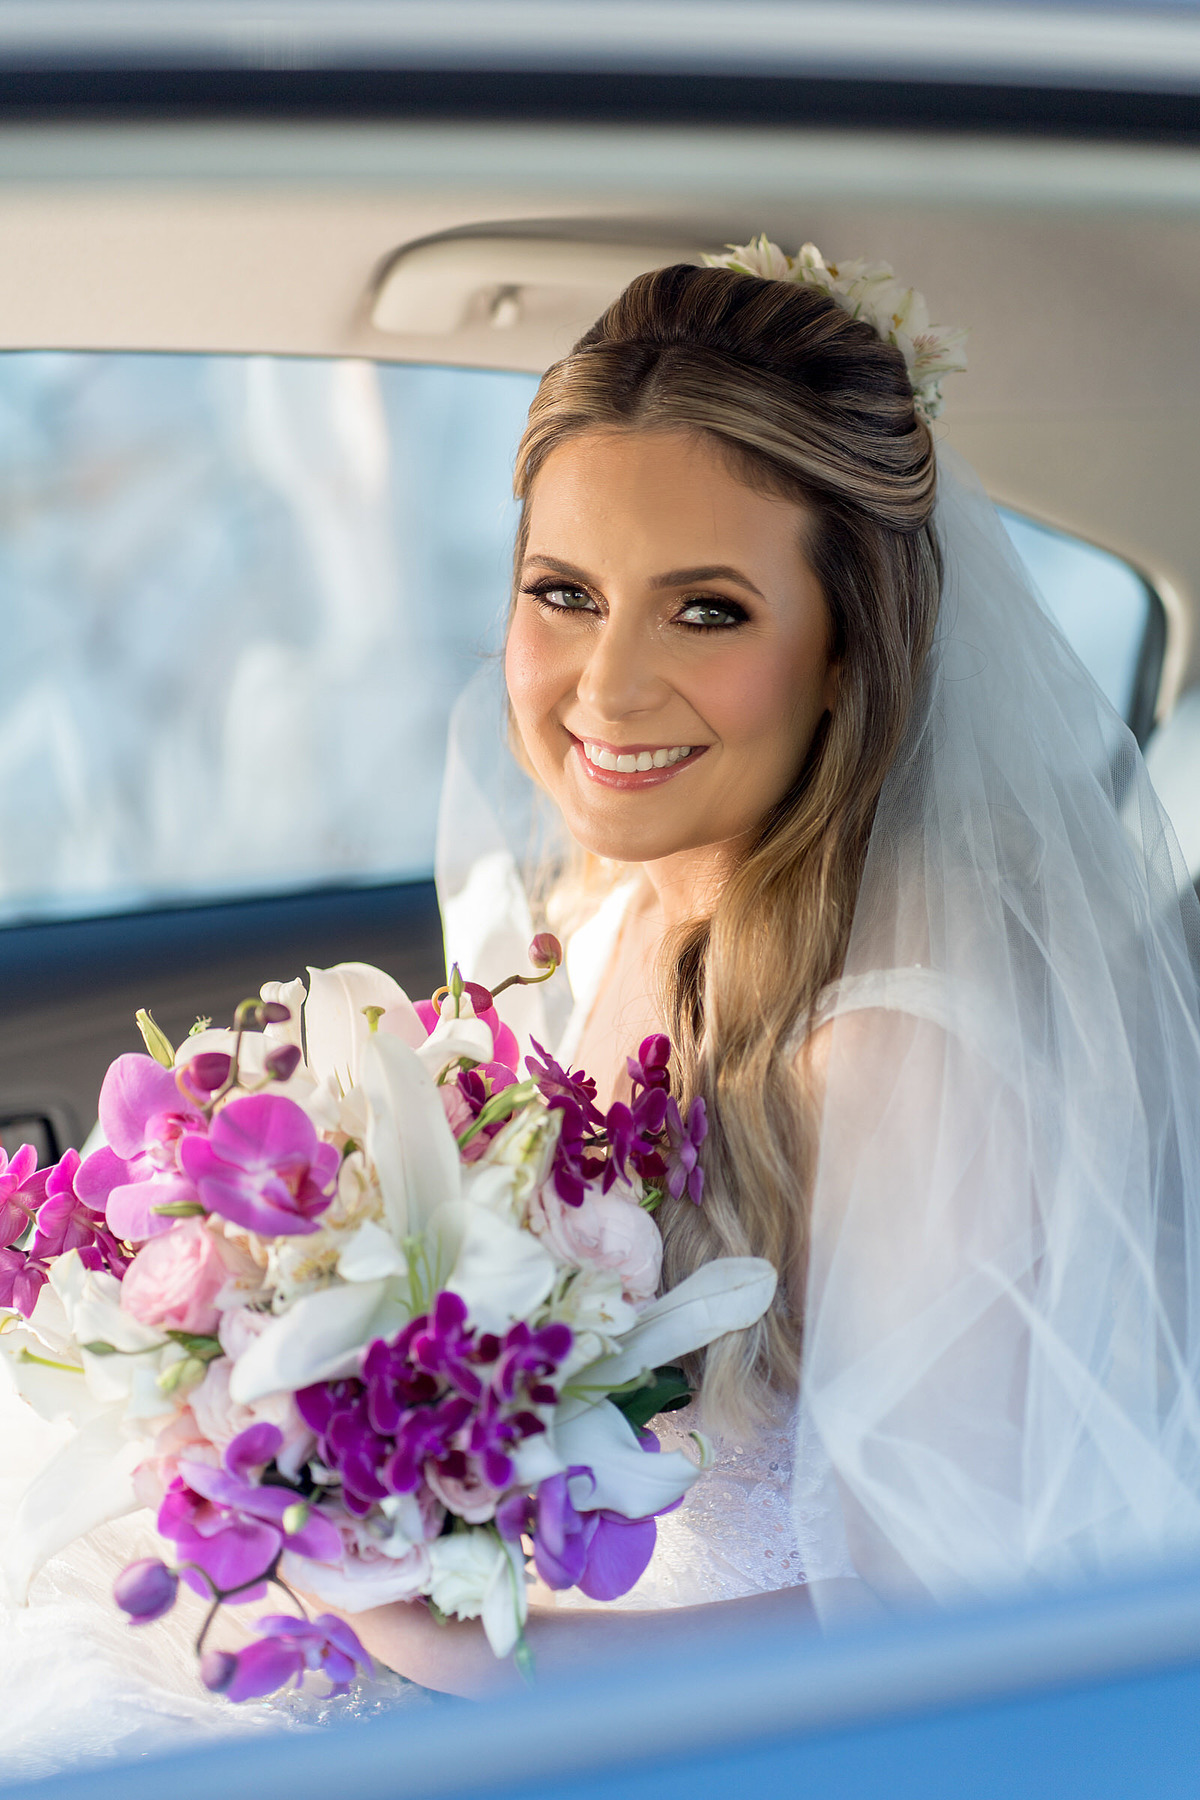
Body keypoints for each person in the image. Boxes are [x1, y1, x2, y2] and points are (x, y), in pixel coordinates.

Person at [6, 241, 1200, 1740]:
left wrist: (479, 1660)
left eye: (707, 610)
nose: (608, 686)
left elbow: (942, 1636)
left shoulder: (897, 1052)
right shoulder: (615, 912)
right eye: (564, 593)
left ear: (847, 654)